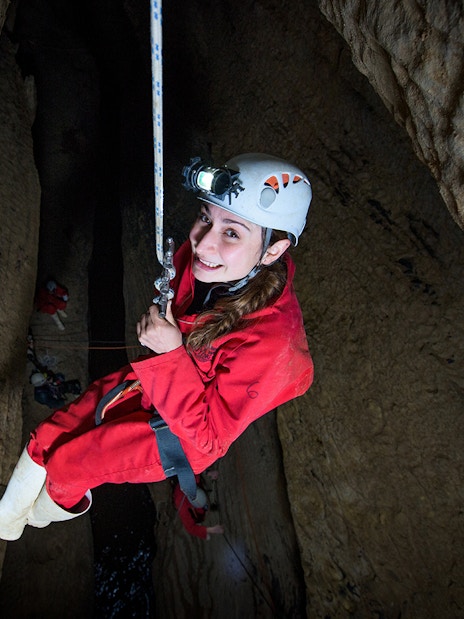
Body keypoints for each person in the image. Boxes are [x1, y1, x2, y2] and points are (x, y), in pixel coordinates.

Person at [0, 152, 314, 541]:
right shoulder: (203, 261)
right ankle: (4, 518)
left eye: (232, 232)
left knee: (68, 465)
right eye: (205, 217)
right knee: (48, 435)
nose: (202, 243)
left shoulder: (273, 344)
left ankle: (26, 523)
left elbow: (209, 437)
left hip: (179, 433)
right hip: (153, 384)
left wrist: (169, 355)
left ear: (272, 252)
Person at [172, 472, 224, 540]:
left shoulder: (194, 480)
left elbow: (198, 471)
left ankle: (208, 507)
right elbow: (190, 528)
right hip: (179, 482)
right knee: (199, 517)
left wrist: (209, 473)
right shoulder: (181, 504)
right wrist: (210, 530)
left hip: (189, 480)